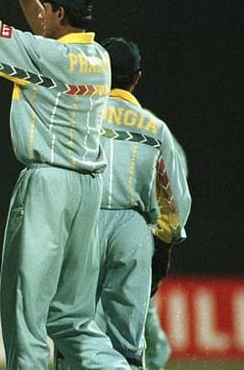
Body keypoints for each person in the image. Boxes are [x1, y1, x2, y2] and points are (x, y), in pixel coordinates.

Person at [0, 0, 129, 369]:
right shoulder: (99, 57)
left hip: (48, 186)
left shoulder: (49, 56)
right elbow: (41, 25)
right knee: (73, 320)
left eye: (48, 7)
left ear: (57, 12)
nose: (42, 15)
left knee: (27, 312)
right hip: (88, 189)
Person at [78, 37, 190, 369]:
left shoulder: (78, 114)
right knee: (127, 341)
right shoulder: (155, 128)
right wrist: (164, 244)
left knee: (74, 331)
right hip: (134, 228)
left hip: (84, 222)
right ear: (137, 77)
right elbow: (175, 198)